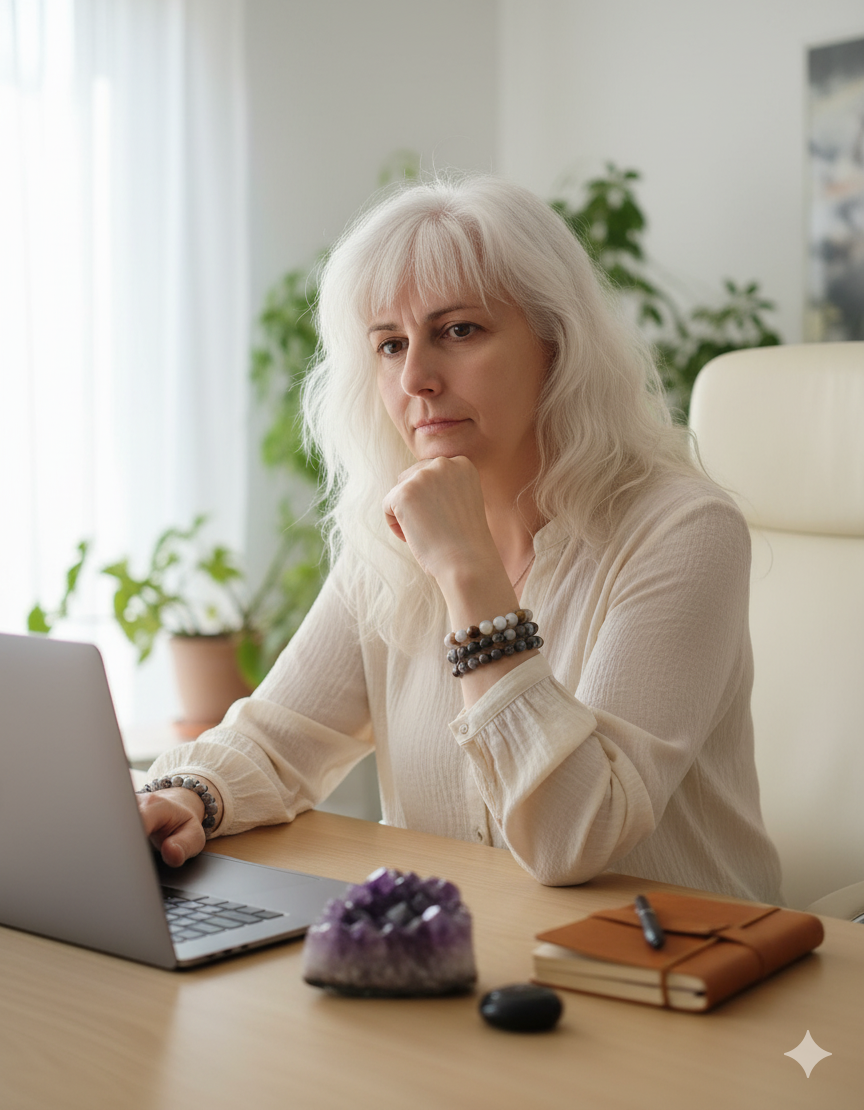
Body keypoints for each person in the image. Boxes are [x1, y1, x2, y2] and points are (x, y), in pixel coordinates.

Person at [139, 173, 783, 903]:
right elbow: (280, 738)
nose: (416, 376)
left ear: (555, 343)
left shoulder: (682, 530)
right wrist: (189, 794)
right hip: (455, 960)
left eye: (459, 331)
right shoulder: (389, 540)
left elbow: (577, 834)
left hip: (675, 979)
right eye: (388, 344)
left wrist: (466, 568)